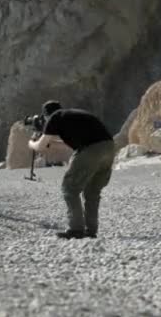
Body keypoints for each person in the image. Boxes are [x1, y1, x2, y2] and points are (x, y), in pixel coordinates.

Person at [28, 101, 115, 239]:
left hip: (91, 149)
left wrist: (31, 143)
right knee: (92, 191)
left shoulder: (54, 118)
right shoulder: (71, 115)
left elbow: (40, 146)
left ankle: (76, 229)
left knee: (69, 188)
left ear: (46, 115)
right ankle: (91, 230)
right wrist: (51, 143)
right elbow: (70, 145)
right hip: (109, 148)